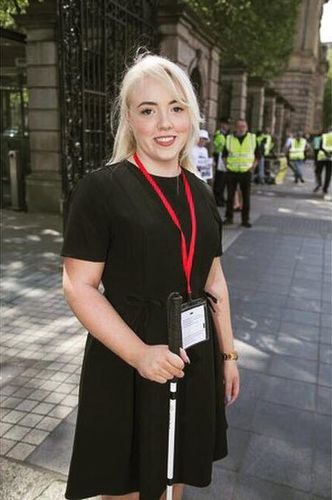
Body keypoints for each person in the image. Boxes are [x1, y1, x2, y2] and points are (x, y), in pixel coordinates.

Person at [61, 53, 240, 500]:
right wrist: (140, 354)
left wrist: (229, 356)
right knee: (127, 482)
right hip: (127, 356)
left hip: (192, 352)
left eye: (176, 108)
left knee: (174, 473)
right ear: (130, 118)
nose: (165, 122)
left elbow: (213, 280)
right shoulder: (102, 188)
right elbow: (78, 285)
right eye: (148, 109)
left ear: (191, 117)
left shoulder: (200, 190)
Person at [222, 118, 259, 228]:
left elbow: (258, 156)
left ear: (247, 128)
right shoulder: (229, 139)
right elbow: (224, 156)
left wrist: (252, 168)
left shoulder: (252, 139)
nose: (241, 129)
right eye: (239, 126)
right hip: (232, 172)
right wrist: (227, 166)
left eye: (244, 126)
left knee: (246, 197)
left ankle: (245, 220)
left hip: (246, 172)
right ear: (235, 127)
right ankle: (229, 218)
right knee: (230, 196)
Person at [213, 117, 230, 206]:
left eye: (227, 125)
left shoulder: (227, 135)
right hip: (219, 157)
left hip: (225, 158)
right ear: (221, 124)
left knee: (224, 179)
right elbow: (215, 146)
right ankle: (217, 198)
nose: (226, 126)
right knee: (219, 180)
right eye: (225, 124)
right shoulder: (218, 134)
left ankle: (221, 197)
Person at [315, 126, 332, 198]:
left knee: (317, 171)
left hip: (322, 157)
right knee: (328, 174)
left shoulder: (324, 136)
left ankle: (319, 183)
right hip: (331, 158)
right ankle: (325, 189)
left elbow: (320, 147)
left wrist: (326, 153)